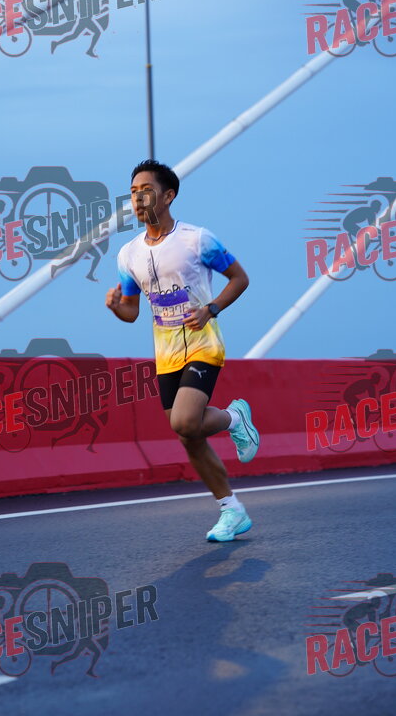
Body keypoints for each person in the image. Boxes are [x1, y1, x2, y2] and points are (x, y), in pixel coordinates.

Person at [105, 160, 259, 542]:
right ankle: (232, 510)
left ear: (168, 195)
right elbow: (131, 311)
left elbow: (239, 278)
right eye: (133, 192)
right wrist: (116, 307)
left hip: (203, 344)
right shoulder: (128, 255)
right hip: (166, 354)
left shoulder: (197, 239)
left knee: (185, 422)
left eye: (146, 190)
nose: (138, 198)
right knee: (189, 436)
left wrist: (211, 308)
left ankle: (235, 418)